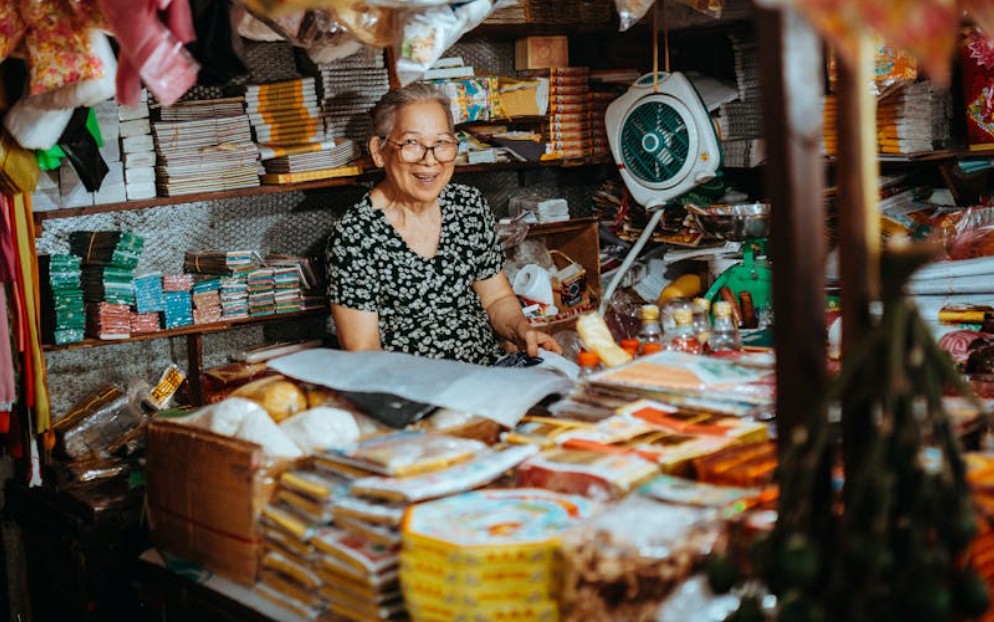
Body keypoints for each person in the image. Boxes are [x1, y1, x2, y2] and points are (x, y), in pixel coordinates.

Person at [326, 82, 561, 365]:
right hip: (412, 391)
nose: (430, 161)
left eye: (441, 144)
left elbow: (496, 299)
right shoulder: (355, 235)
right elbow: (363, 352)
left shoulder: (468, 205)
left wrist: (522, 330)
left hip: (488, 375)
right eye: (411, 144)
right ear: (380, 150)